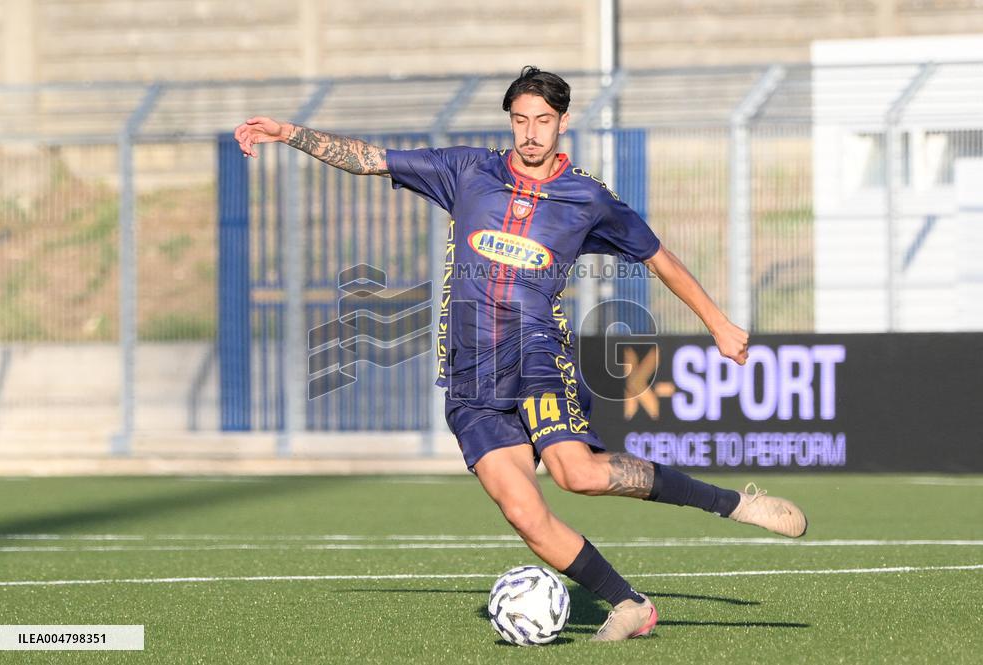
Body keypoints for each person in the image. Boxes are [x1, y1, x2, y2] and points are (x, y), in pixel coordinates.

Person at [234, 66, 807, 642]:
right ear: (510, 121)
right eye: (520, 120)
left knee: (576, 474)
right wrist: (288, 132)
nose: (531, 133)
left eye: (543, 121)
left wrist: (719, 324)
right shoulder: (467, 170)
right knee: (524, 514)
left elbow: (659, 256)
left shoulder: (587, 198)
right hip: (469, 372)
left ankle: (732, 504)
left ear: (562, 122)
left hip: (536, 353)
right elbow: (370, 158)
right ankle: (629, 605)